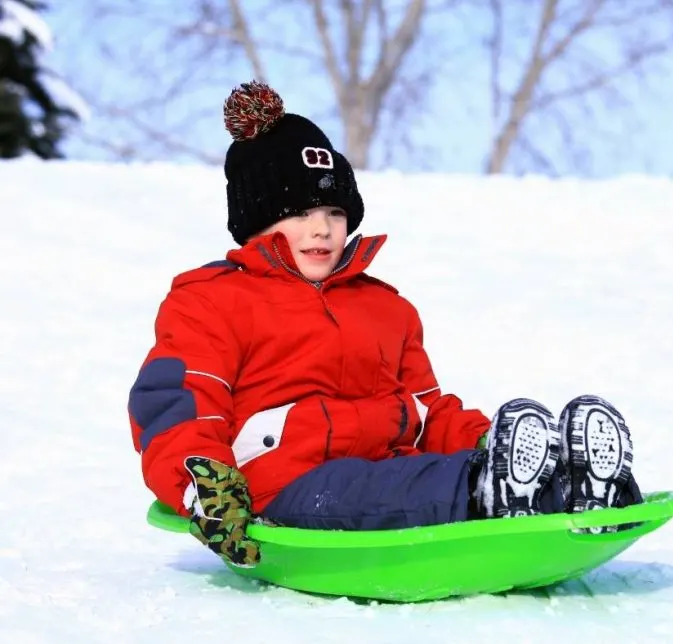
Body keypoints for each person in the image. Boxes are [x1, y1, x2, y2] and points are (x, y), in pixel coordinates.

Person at [128, 81, 642, 568]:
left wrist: (486, 439)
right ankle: (494, 490)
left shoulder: (386, 308)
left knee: (414, 478)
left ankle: (570, 488)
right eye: (300, 210)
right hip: (282, 487)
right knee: (393, 492)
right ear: (257, 217)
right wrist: (206, 485)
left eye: (335, 209)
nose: (323, 227)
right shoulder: (213, 301)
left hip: (389, 468)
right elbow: (179, 406)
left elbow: (426, 410)